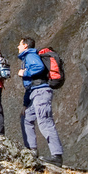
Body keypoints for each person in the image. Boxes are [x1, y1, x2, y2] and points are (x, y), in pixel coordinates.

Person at [17, 36, 63, 166]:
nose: (18, 47)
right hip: (35, 93)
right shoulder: (28, 57)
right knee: (26, 118)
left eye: (19, 44)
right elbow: (30, 85)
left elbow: (38, 68)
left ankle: (57, 156)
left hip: (41, 93)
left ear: (25, 45)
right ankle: (31, 152)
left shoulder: (31, 56)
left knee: (45, 122)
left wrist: (24, 72)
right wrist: (25, 105)